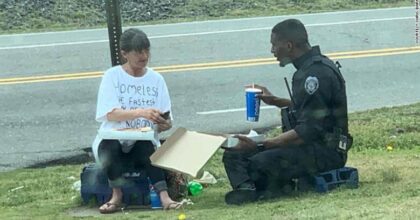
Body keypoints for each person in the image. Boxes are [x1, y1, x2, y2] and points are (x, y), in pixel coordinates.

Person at [222, 19, 352, 205]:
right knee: (234, 153)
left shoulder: (315, 75)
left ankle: (270, 189)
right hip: (308, 146)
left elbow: (307, 131)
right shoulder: (308, 69)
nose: (272, 51)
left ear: (289, 45)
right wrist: (275, 101)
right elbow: (312, 109)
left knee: (259, 161)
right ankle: (247, 189)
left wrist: (261, 145)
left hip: (325, 151)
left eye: (274, 45)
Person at [94, 28, 182, 213]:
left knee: (147, 147)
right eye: (138, 52)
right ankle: (116, 195)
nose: (144, 56)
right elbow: (109, 113)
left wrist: (164, 124)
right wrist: (140, 113)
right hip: (114, 138)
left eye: (146, 50)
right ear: (125, 53)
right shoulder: (112, 76)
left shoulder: (156, 79)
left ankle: (164, 197)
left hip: (143, 139)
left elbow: (167, 120)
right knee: (110, 147)